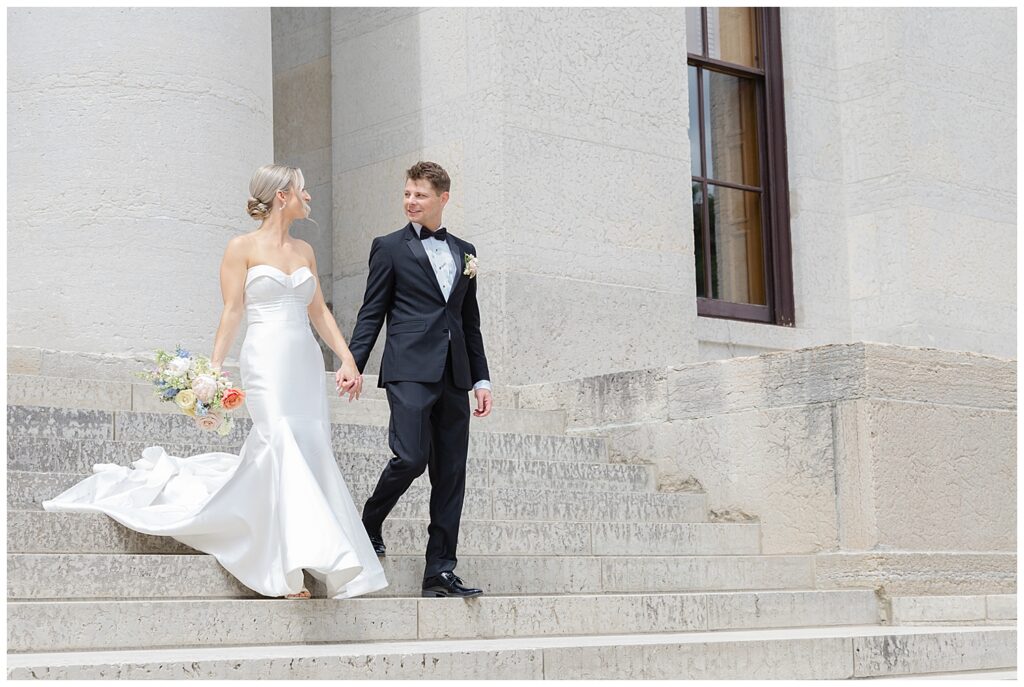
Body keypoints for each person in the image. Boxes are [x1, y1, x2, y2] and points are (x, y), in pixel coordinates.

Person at [42, 164, 388, 600]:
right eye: (302, 190)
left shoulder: (305, 251)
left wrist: (348, 359)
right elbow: (232, 311)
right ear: (282, 196)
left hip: (302, 361)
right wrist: (212, 371)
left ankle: (311, 552)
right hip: (265, 360)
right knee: (279, 440)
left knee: (308, 445)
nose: (309, 197)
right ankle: (285, 569)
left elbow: (318, 312)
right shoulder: (240, 247)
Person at [349, 161, 492, 598]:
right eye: (408, 193)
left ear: (442, 198)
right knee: (410, 458)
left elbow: (470, 321)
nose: (411, 201)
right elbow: (372, 310)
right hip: (408, 368)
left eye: (420, 195)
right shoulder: (389, 247)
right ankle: (369, 521)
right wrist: (354, 363)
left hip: (455, 373)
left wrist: (482, 379)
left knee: (451, 473)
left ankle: (440, 572)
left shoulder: (465, 251)